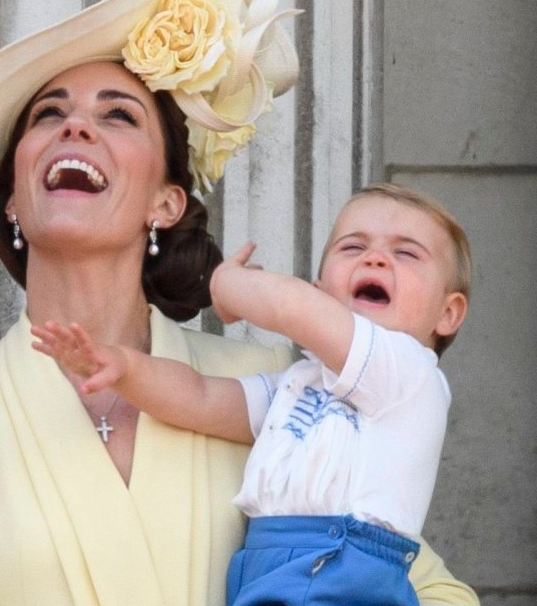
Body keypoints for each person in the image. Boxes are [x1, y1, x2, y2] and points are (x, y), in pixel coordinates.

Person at [0, 0, 477, 605]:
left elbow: (430, 588)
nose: (75, 125)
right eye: (49, 113)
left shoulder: (274, 376)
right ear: (12, 197)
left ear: (166, 201)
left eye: (118, 114)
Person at [33, 182, 471, 605]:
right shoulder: (301, 381)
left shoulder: (409, 374)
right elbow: (200, 398)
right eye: (353, 247)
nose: (375, 259)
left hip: (342, 567)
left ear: (447, 314)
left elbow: (292, 308)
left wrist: (226, 285)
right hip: (268, 563)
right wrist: (125, 367)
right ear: (323, 291)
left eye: (406, 252)